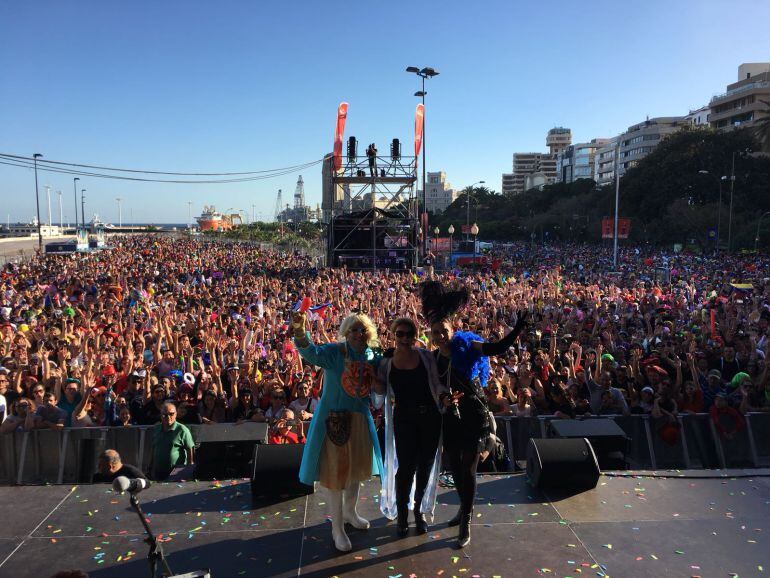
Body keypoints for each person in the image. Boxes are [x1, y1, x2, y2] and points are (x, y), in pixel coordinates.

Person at [420, 280, 528, 548]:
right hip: (450, 417)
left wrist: (516, 331)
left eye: (443, 331)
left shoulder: (467, 345)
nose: (440, 336)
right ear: (431, 334)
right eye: (435, 332)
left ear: (452, 329)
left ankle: (466, 518)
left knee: (468, 467)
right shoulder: (433, 358)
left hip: (473, 414)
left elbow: (494, 349)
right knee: (454, 466)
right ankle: (462, 508)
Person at [292, 309, 383, 552]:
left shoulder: (374, 355)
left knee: (355, 472)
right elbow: (310, 352)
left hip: (361, 420)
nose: (357, 333)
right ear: (345, 332)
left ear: (369, 332)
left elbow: (380, 387)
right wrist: (301, 331)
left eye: (362, 329)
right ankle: (337, 528)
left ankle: (350, 513)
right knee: (335, 476)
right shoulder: (335, 352)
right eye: (353, 329)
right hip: (335, 421)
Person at [376, 317, 447, 537]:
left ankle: (419, 511)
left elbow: (436, 384)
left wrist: (445, 396)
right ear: (394, 335)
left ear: (415, 335)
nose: (405, 338)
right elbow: (379, 391)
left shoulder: (425, 356)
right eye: (400, 334)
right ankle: (403, 515)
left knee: (425, 466)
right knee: (405, 468)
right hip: (404, 419)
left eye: (409, 334)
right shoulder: (386, 362)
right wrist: (368, 371)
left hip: (430, 418)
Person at [151, 401, 194, 480]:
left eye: (171, 414)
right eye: (165, 415)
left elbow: (190, 450)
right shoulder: (156, 429)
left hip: (176, 475)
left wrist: (187, 473)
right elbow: (154, 449)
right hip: (158, 473)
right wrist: (151, 469)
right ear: (161, 416)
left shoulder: (183, 430)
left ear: (176, 414)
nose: (168, 417)